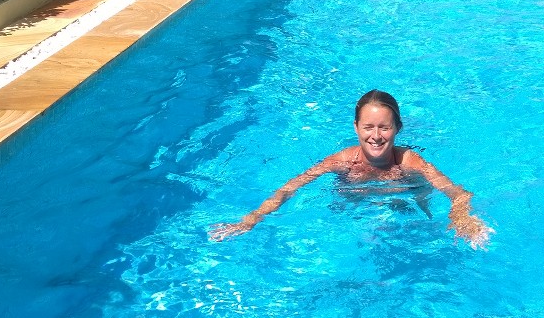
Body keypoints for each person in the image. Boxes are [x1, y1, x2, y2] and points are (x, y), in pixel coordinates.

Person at [210, 89, 490, 246]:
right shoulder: (341, 161)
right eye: (368, 127)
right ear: (356, 127)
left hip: (404, 205)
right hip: (354, 211)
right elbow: (289, 188)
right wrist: (251, 219)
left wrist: (461, 217)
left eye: (384, 128)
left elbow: (458, 192)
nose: (376, 136)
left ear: (397, 129)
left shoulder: (409, 161)